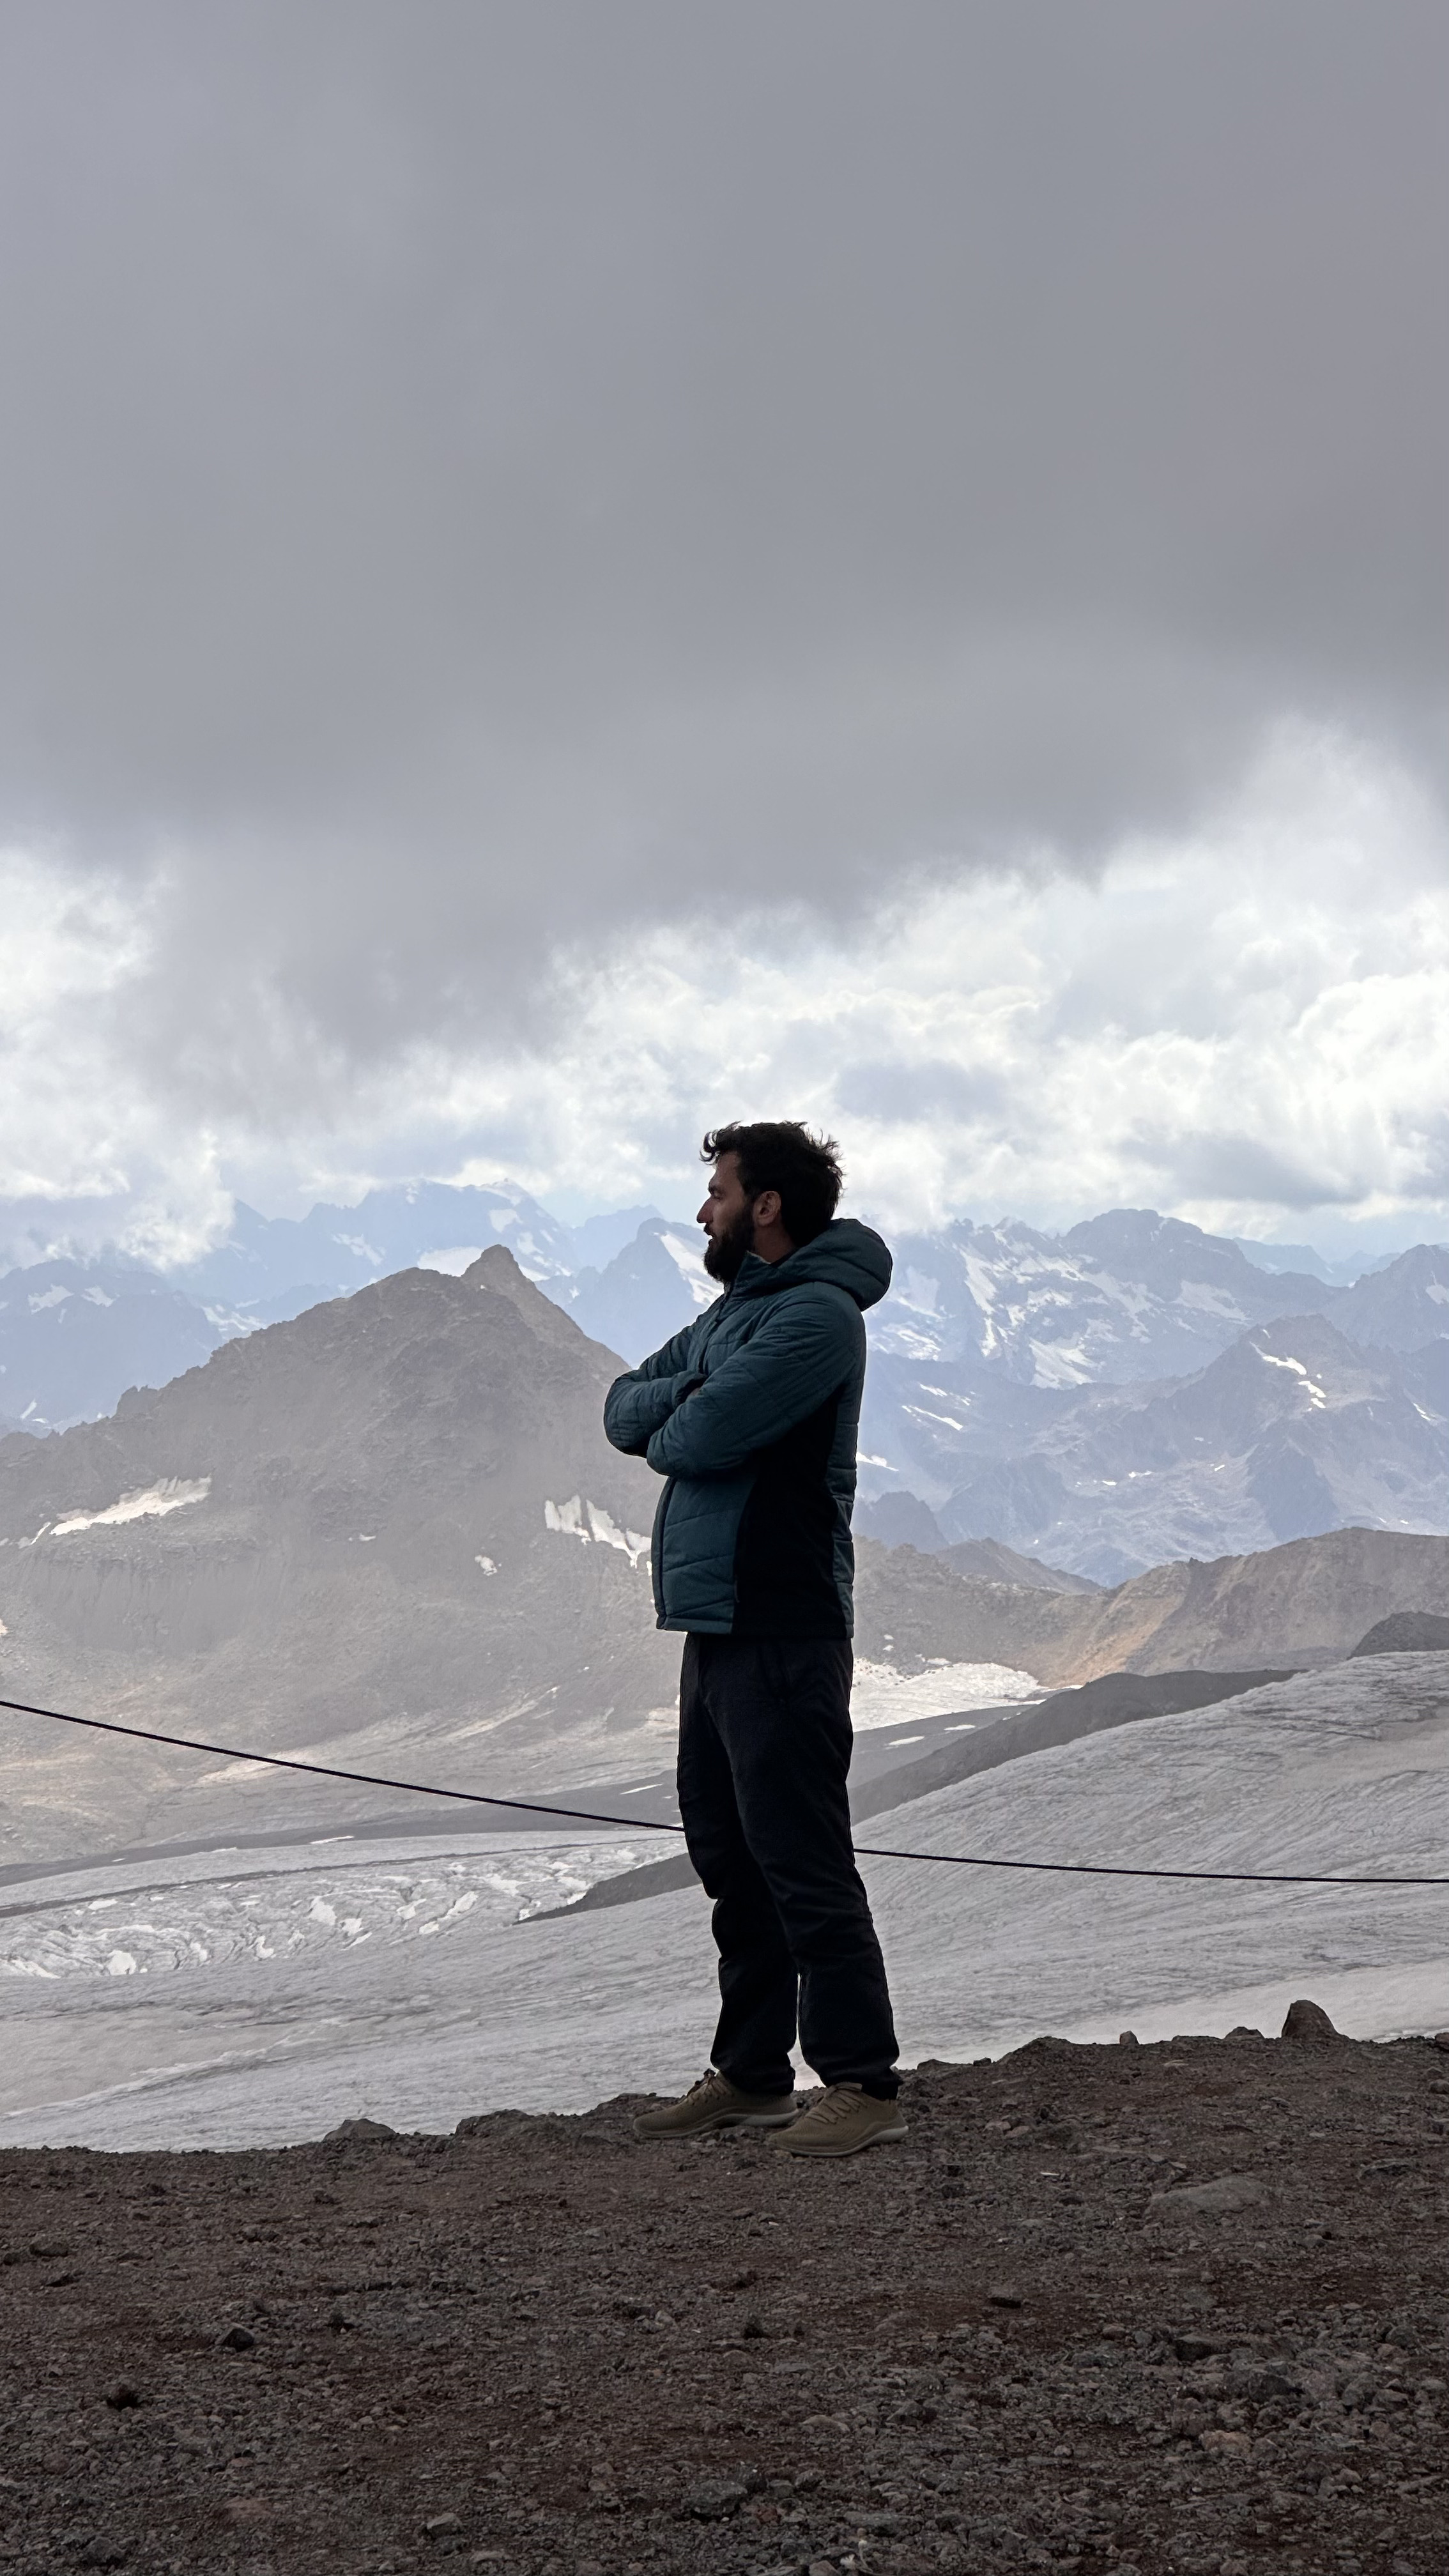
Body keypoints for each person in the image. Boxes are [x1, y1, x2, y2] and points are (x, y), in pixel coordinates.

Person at [603, 1121, 904, 2158]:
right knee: (733, 1857)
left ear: (767, 1204)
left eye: (719, 1192)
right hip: (721, 1621)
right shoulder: (741, 1312)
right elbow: (619, 1408)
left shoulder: (816, 1319)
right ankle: (753, 2073)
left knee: (801, 1858)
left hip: (782, 1619)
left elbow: (691, 1436)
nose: (704, 1211)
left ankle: (862, 2081)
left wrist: (681, 1406)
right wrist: (686, 1396)